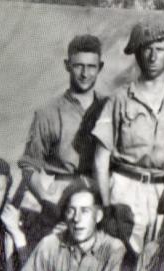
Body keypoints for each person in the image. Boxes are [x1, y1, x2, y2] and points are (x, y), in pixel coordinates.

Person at [92, 21, 164, 255]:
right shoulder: (119, 100)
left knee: (157, 257)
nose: (153, 55)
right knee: (117, 256)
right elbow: (100, 158)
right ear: (137, 54)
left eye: (160, 48)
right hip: (125, 187)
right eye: (146, 48)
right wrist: (106, 205)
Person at [18, 35, 106, 237]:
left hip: (98, 194)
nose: (85, 74)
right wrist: (47, 201)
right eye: (78, 66)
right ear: (67, 65)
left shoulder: (110, 109)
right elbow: (29, 165)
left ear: (100, 67)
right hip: (60, 194)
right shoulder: (48, 112)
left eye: (91, 67)